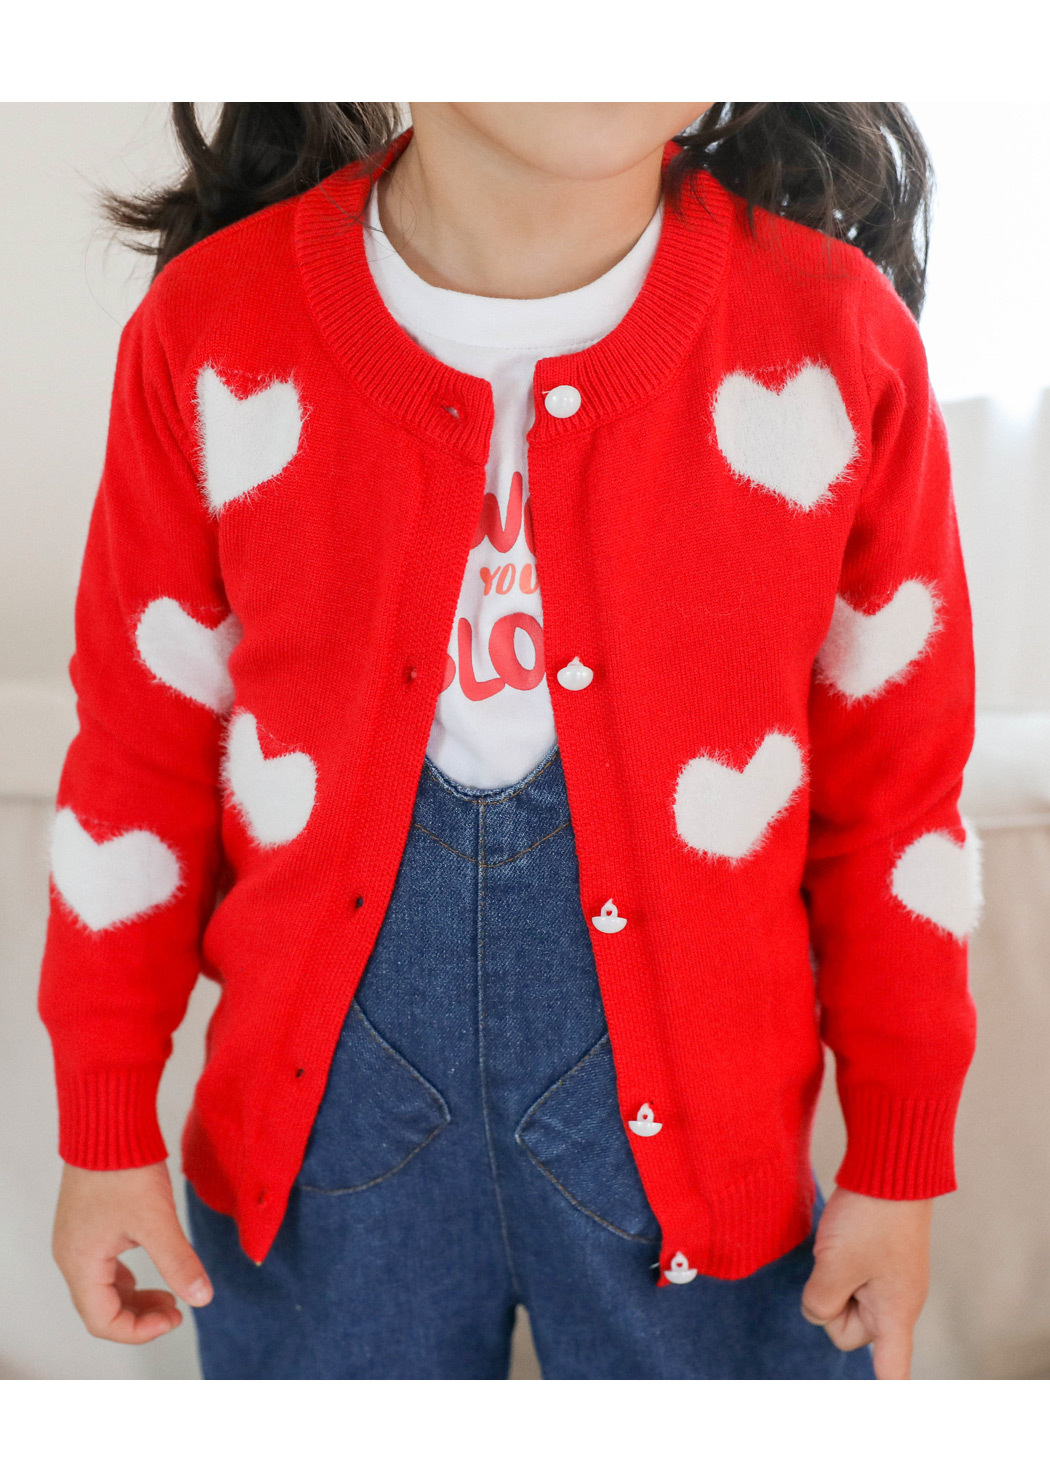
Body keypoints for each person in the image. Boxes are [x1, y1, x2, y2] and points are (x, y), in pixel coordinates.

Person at [40, 102, 979, 1380]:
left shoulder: (833, 337)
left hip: (708, 1176)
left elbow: (898, 807)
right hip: (321, 1175)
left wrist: (897, 1155)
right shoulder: (213, 330)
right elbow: (136, 768)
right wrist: (104, 1124)